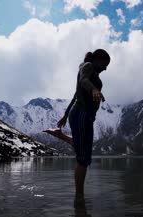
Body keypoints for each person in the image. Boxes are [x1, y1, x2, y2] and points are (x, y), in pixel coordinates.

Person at [43, 49, 110, 207]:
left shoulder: (95, 74)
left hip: (86, 115)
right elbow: (83, 81)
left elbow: (75, 94)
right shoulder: (86, 66)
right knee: (83, 159)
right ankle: (79, 197)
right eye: (105, 64)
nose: (105, 68)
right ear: (98, 59)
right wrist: (94, 89)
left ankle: (59, 135)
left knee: (85, 148)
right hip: (81, 113)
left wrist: (66, 114)